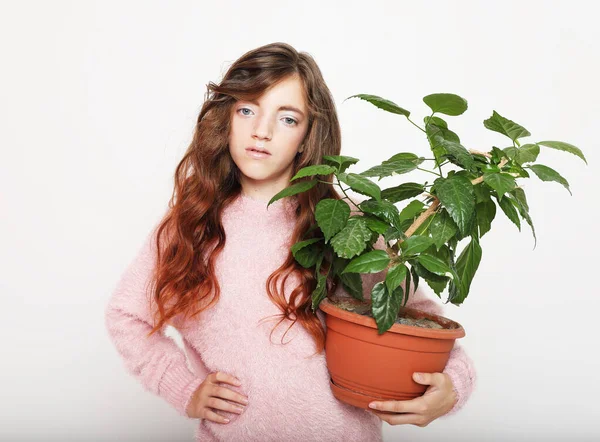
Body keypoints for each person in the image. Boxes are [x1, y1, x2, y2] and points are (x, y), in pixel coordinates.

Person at [104, 42, 476, 442]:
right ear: (226, 118)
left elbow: (421, 325)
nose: (260, 131)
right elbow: (127, 315)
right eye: (247, 110)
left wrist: (452, 387)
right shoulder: (190, 227)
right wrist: (183, 388)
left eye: (287, 118)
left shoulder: (346, 226)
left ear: (307, 136)